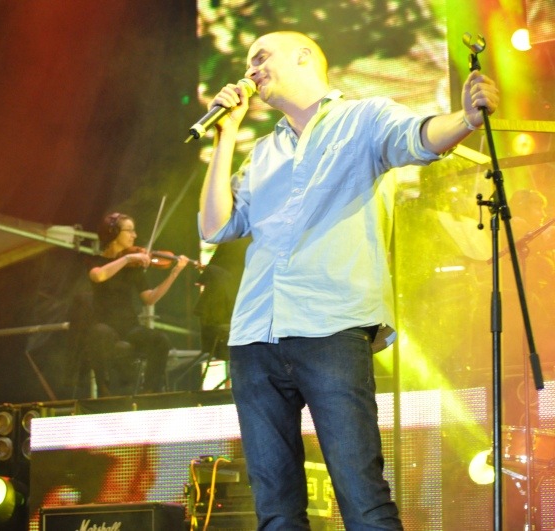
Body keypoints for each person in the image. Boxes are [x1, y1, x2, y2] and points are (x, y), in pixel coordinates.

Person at [197, 31, 499, 529]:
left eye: (260, 57)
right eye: (249, 61)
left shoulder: (364, 118)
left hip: (331, 327)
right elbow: (215, 227)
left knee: (361, 496)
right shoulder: (264, 151)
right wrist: (225, 135)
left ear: (304, 57)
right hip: (254, 334)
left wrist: (465, 119)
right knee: (274, 507)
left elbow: (418, 138)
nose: (250, 70)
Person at [82, 212, 189, 397]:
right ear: (113, 232)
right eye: (129, 230)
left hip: (130, 327)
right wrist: (127, 259)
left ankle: (150, 391)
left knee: (160, 340)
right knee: (100, 333)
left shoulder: (133, 268)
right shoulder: (96, 261)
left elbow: (150, 298)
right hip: (105, 326)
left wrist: (174, 273)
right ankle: (104, 391)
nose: (135, 235)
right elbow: (99, 276)